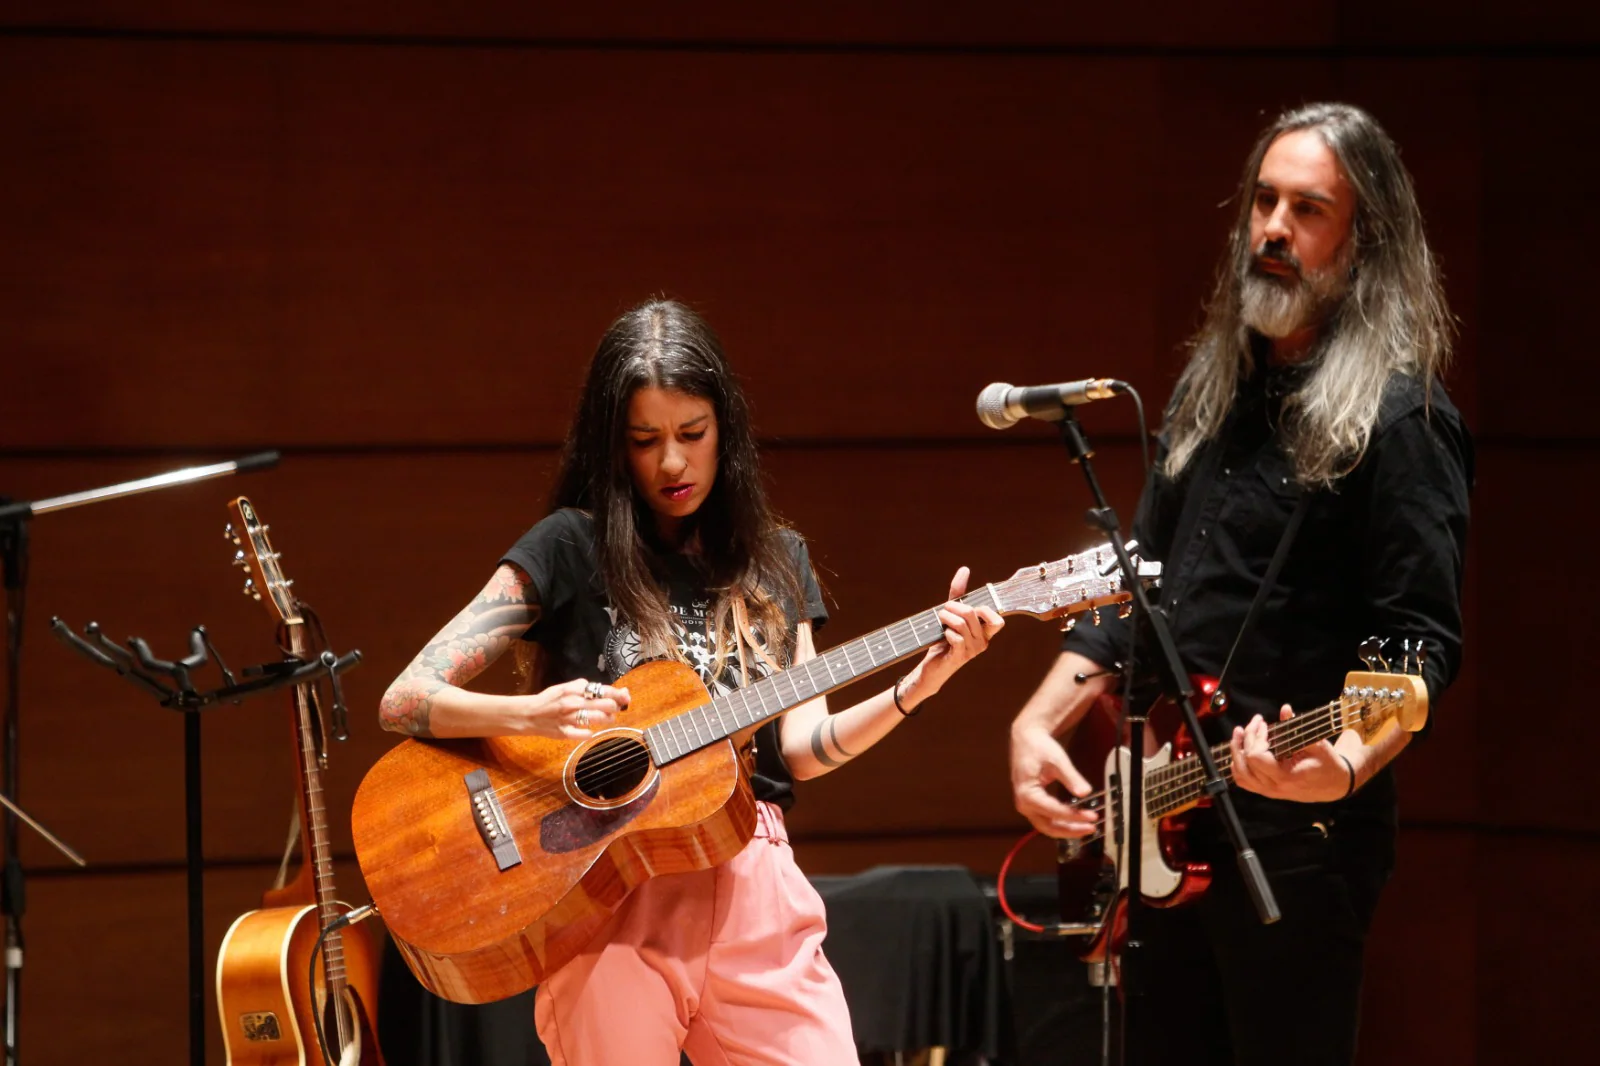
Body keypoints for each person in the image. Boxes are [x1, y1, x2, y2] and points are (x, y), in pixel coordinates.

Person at [378, 298, 1004, 1066]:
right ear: (614, 448)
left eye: (692, 435)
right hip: (610, 889)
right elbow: (406, 698)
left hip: (753, 879)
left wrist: (921, 685)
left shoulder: (777, 560)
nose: (672, 463)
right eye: (646, 441)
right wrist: (528, 715)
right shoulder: (569, 547)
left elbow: (803, 747)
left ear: (726, 433)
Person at [1008, 103, 1472, 1066]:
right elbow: (1144, 591)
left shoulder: (1403, 421)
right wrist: (1036, 720)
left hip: (1302, 842)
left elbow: (1415, 643)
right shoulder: (1207, 394)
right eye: (1264, 202)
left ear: (1363, 240)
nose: (1272, 228)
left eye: (1307, 210)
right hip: (1166, 818)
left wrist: (1339, 762)